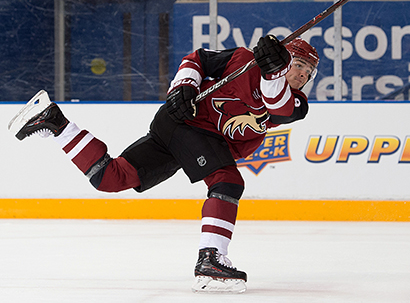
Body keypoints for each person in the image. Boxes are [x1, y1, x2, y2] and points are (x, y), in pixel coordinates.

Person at [9, 34, 319, 293]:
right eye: (300, 65)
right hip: (187, 121)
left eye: (309, 72)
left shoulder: (297, 104)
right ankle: (212, 259)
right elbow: (197, 59)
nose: (303, 75)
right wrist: (182, 87)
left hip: (187, 133)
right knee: (227, 181)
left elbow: (276, 106)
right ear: (287, 58)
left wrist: (276, 73)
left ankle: (56, 122)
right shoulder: (240, 58)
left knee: (111, 178)